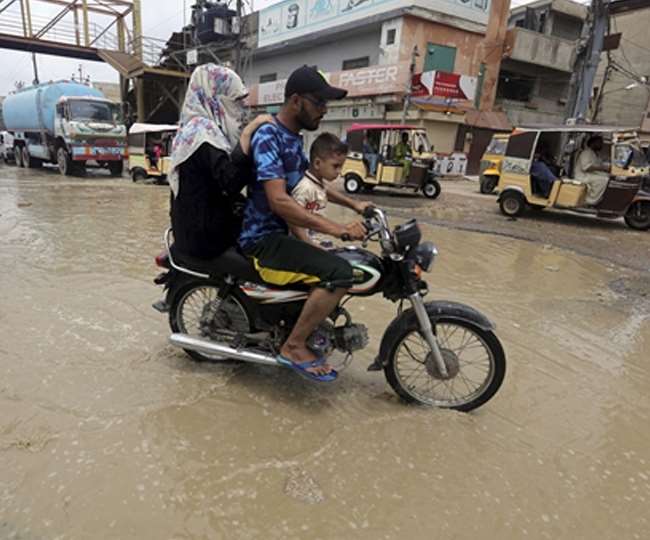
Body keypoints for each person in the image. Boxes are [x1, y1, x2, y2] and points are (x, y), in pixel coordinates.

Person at [238, 65, 367, 382]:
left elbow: (313, 186)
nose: (324, 110)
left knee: (339, 258)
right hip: (264, 240)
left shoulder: (293, 139)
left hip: (284, 235)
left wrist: (356, 204)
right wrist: (338, 229)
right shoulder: (269, 137)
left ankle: (302, 329)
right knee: (340, 273)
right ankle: (293, 346)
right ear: (296, 100)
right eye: (319, 103)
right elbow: (279, 201)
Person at [168, 63, 271, 260]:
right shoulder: (202, 134)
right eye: (235, 101)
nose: (241, 109)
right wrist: (248, 134)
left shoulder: (197, 129)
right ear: (214, 99)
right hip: (204, 236)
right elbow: (230, 181)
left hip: (192, 227)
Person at [290, 132, 370, 245]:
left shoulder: (318, 184)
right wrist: (310, 245)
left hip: (317, 241)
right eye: (335, 166)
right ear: (317, 163)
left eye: (341, 166)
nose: (339, 171)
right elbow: (294, 222)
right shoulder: (305, 188)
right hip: (303, 247)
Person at [575, 135, 610, 205]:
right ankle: (590, 200)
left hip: (589, 174)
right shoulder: (586, 152)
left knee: (608, 176)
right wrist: (603, 168)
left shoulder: (594, 153)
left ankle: (599, 198)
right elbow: (586, 167)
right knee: (604, 179)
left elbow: (599, 164)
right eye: (599, 143)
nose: (601, 145)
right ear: (593, 143)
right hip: (582, 176)